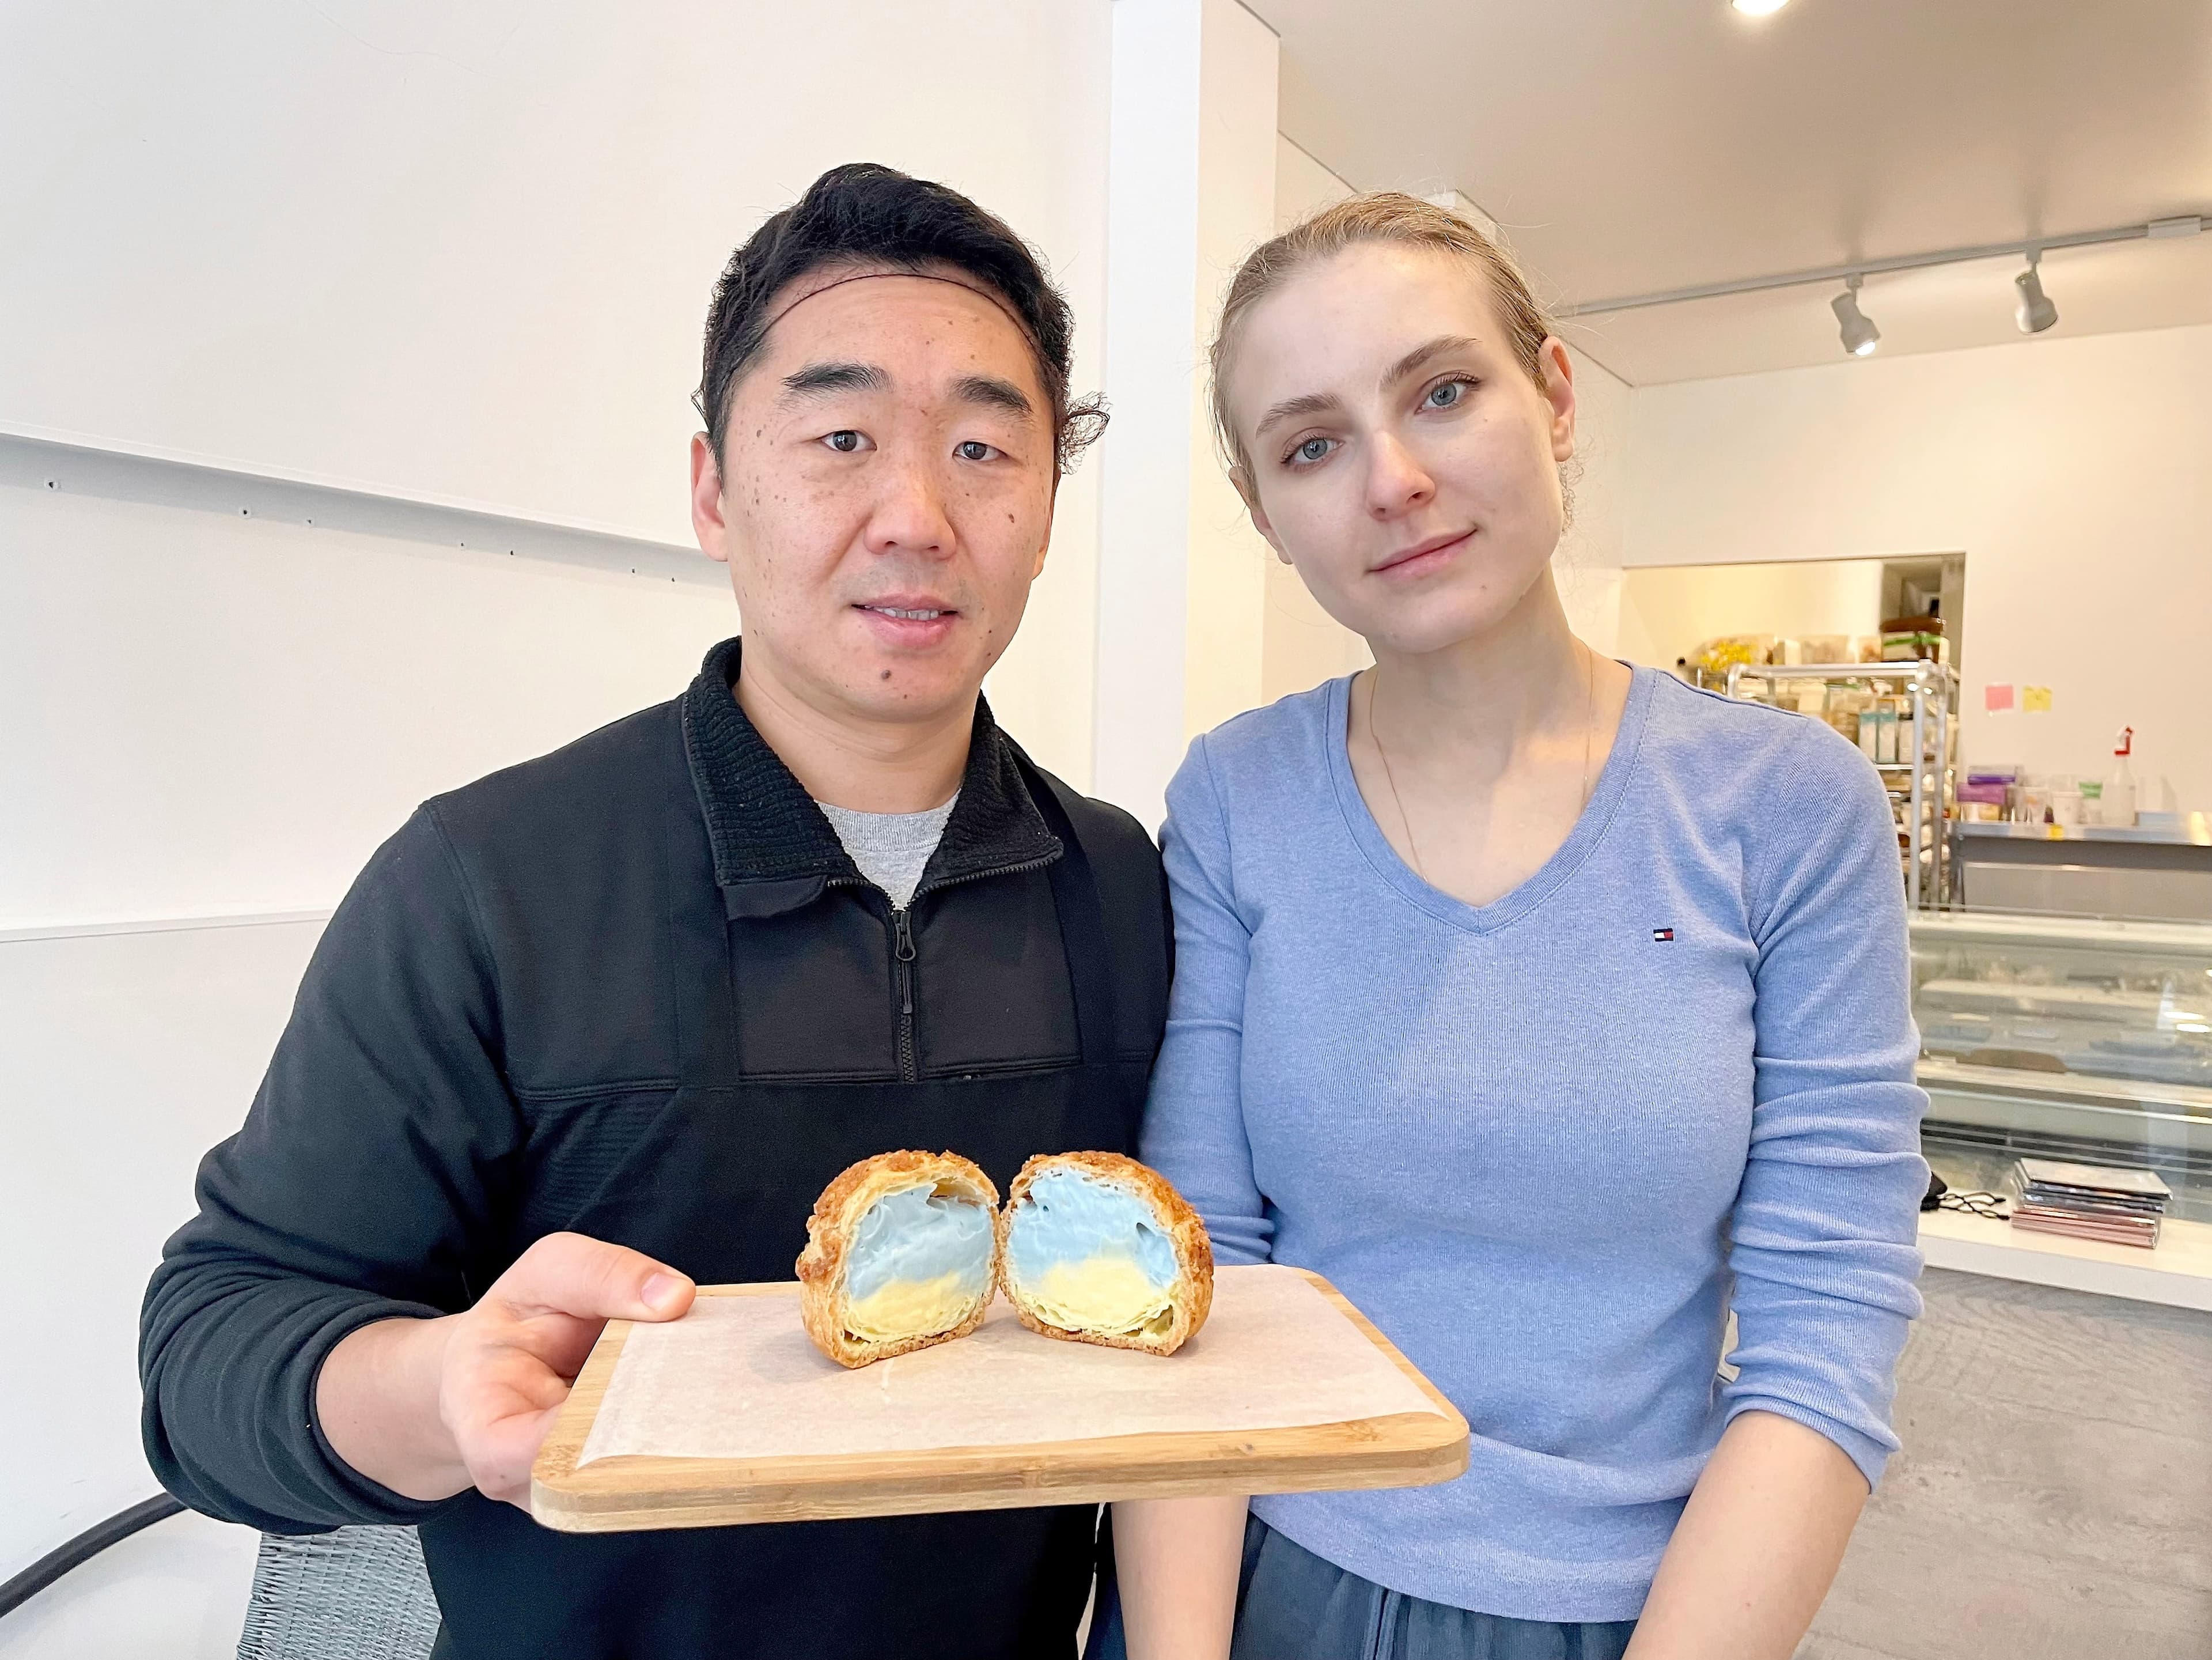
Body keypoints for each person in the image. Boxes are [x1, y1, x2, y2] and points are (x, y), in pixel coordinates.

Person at [140, 162, 1168, 1660]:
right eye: (841, 436)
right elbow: (210, 1352)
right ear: (710, 490)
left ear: (1047, 506)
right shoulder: (491, 878)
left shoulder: (1120, 882)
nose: (918, 512)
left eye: (983, 446)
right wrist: (435, 1388)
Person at [1099, 195, 1927, 1660]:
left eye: (1442, 391)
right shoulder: (1236, 796)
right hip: (1256, 1579)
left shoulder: (1785, 803)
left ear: (1551, 396)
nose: (1395, 479)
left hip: (1631, 1612)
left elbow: (1825, 1326)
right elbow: (1198, 1268)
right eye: (1311, 444)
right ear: (1267, 517)